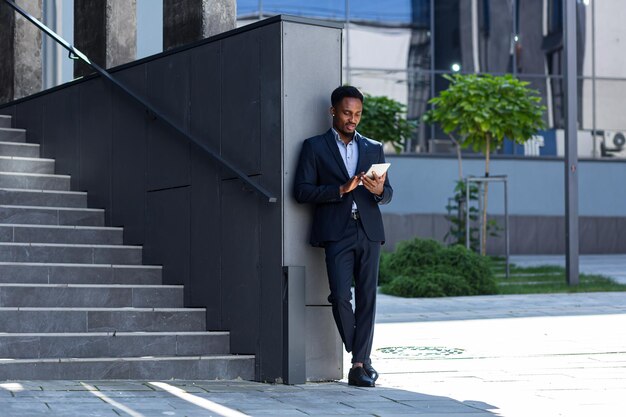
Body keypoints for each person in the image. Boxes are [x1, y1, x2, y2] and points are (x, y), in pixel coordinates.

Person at [294, 86, 393, 387]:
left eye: (358, 114)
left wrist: (379, 192)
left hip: (369, 231)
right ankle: (360, 352)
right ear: (333, 111)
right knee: (340, 297)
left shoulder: (373, 147)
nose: (353, 120)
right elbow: (301, 191)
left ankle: (359, 365)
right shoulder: (314, 147)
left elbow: (388, 192)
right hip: (337, 232)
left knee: (368, 297)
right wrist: (340, 189)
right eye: (347, 113)